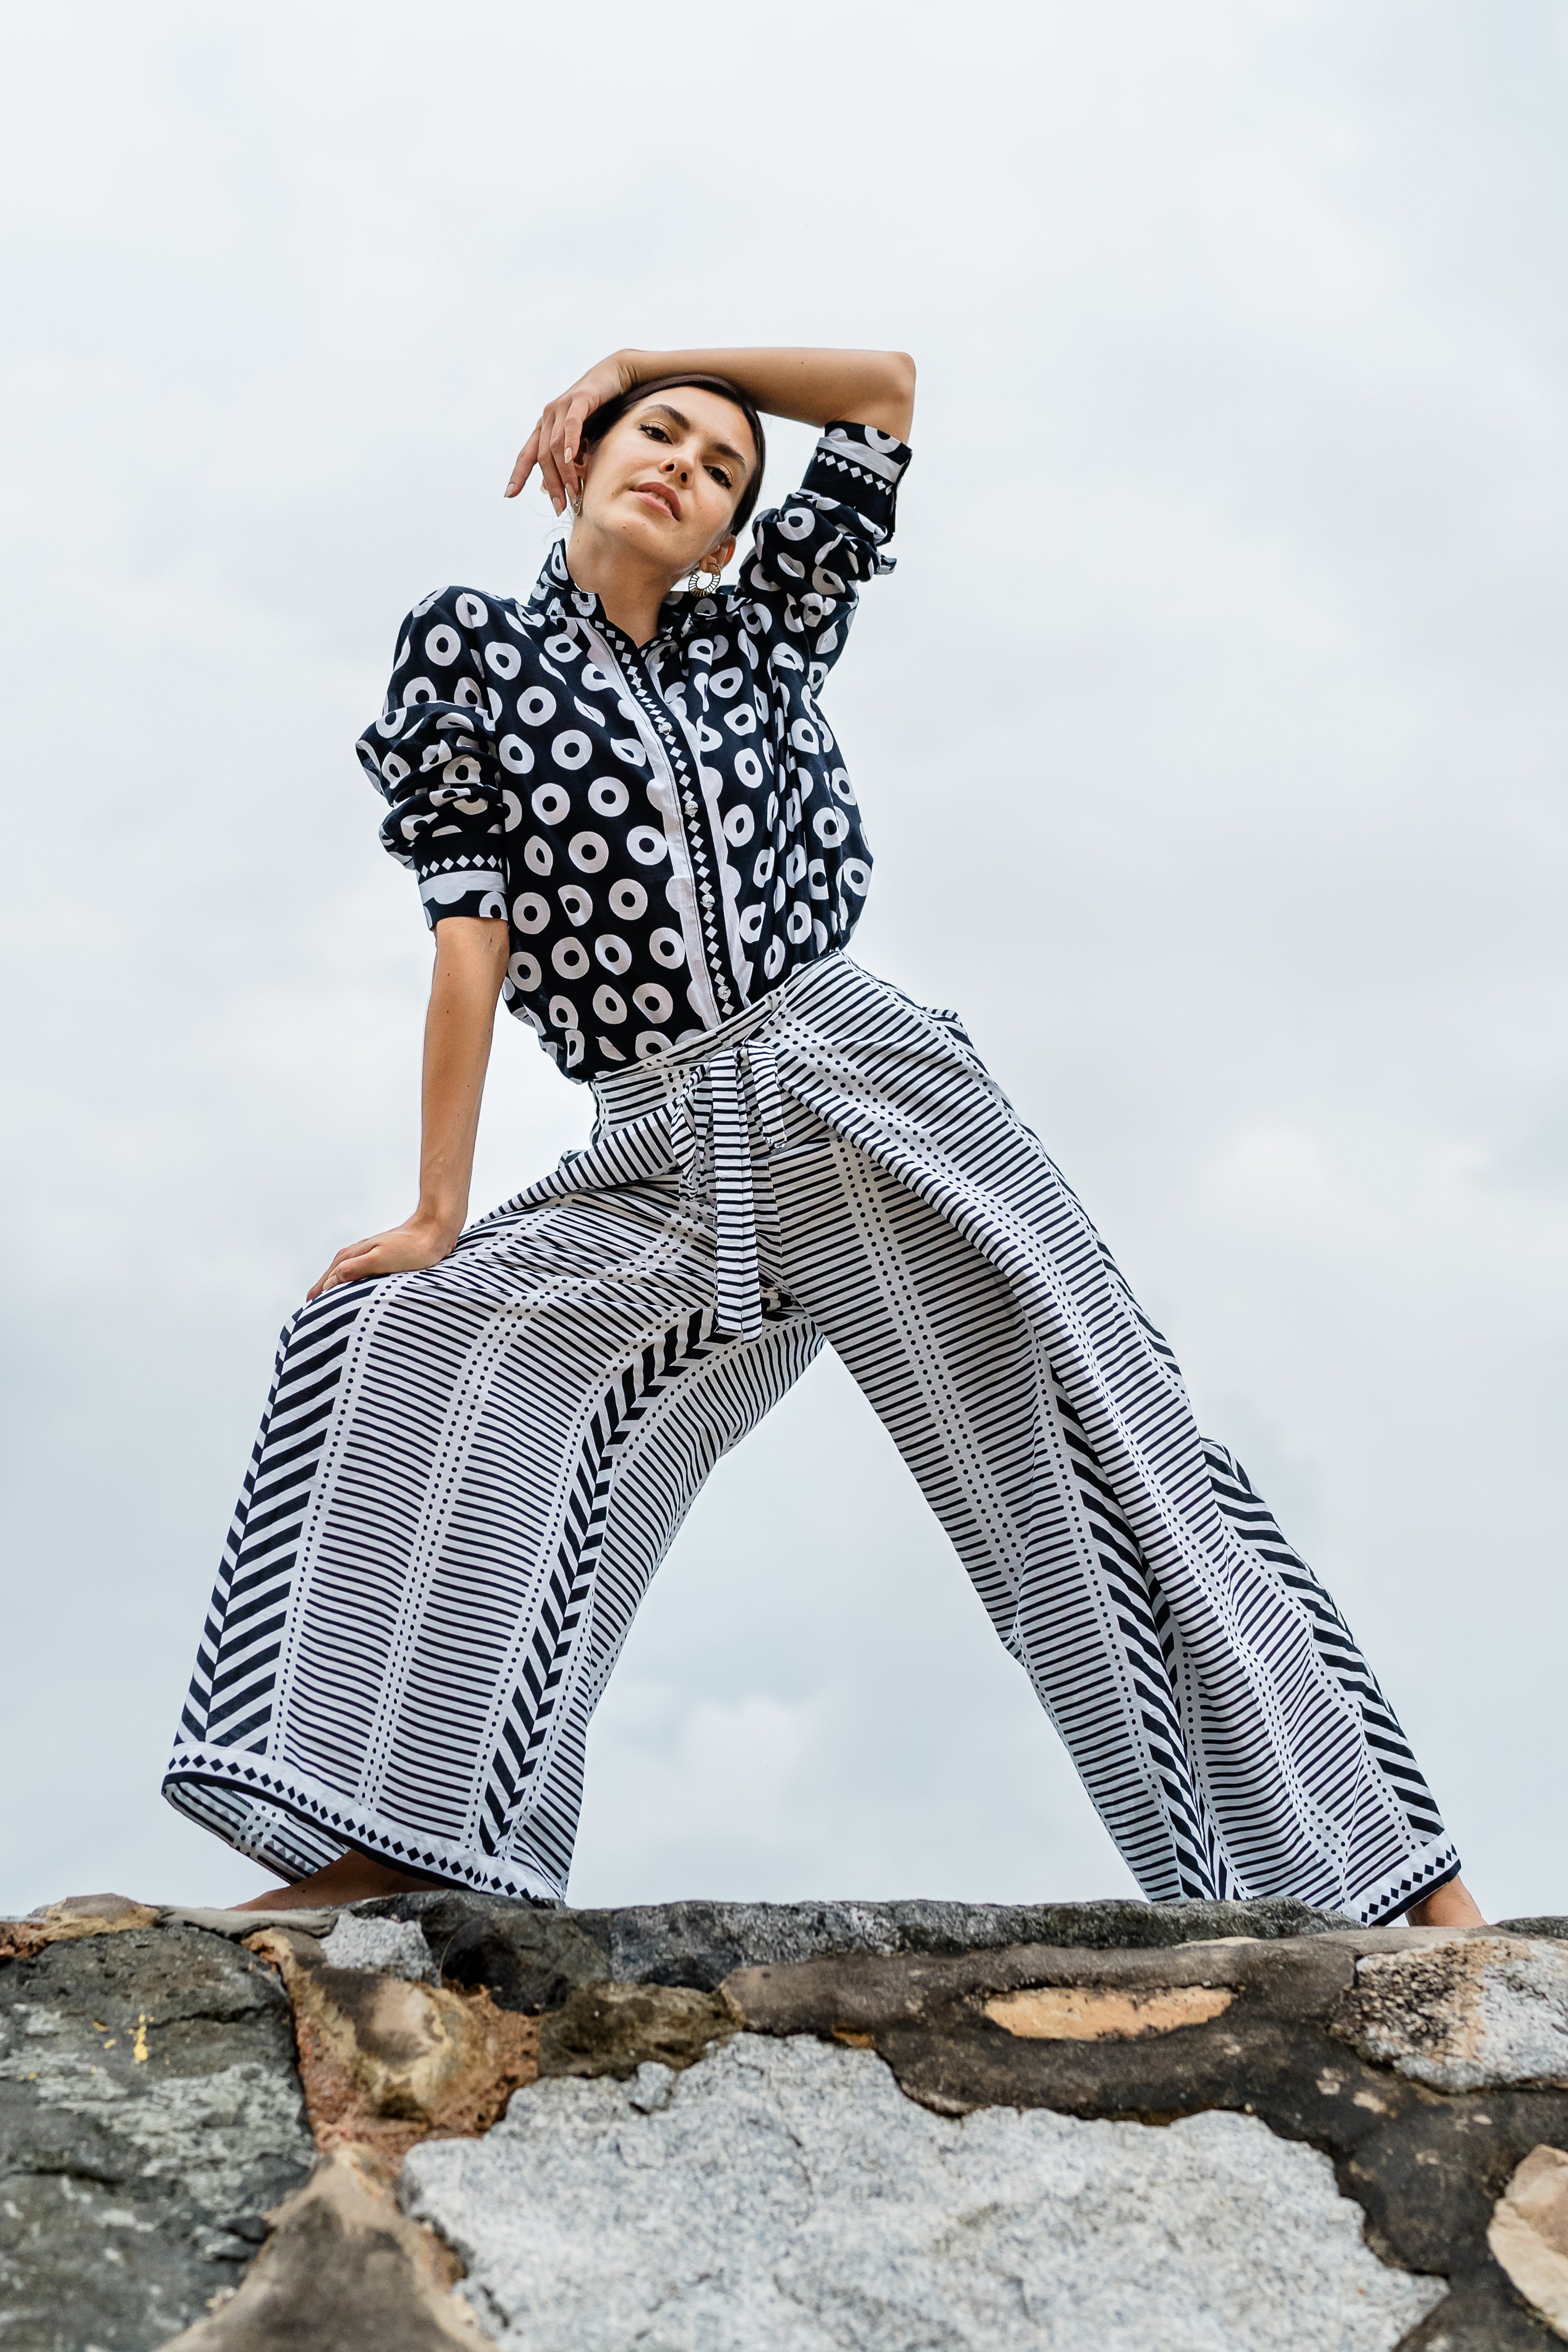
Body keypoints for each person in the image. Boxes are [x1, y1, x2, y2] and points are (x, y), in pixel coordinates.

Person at [162, 345, 1482, 1929]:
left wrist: (652, 351)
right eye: (657, 432)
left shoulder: (762, 630)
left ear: (732, 536)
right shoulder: (471, 651)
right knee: (412, 1342)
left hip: (861, 1097)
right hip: (662, 1150)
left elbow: (884, 394)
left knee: (1106, 1448)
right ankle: (409, 1831)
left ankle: (1399, 1885)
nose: (684, 463)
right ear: (579, 458)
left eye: (722, 467)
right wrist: (439, 1206)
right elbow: (469, 939)